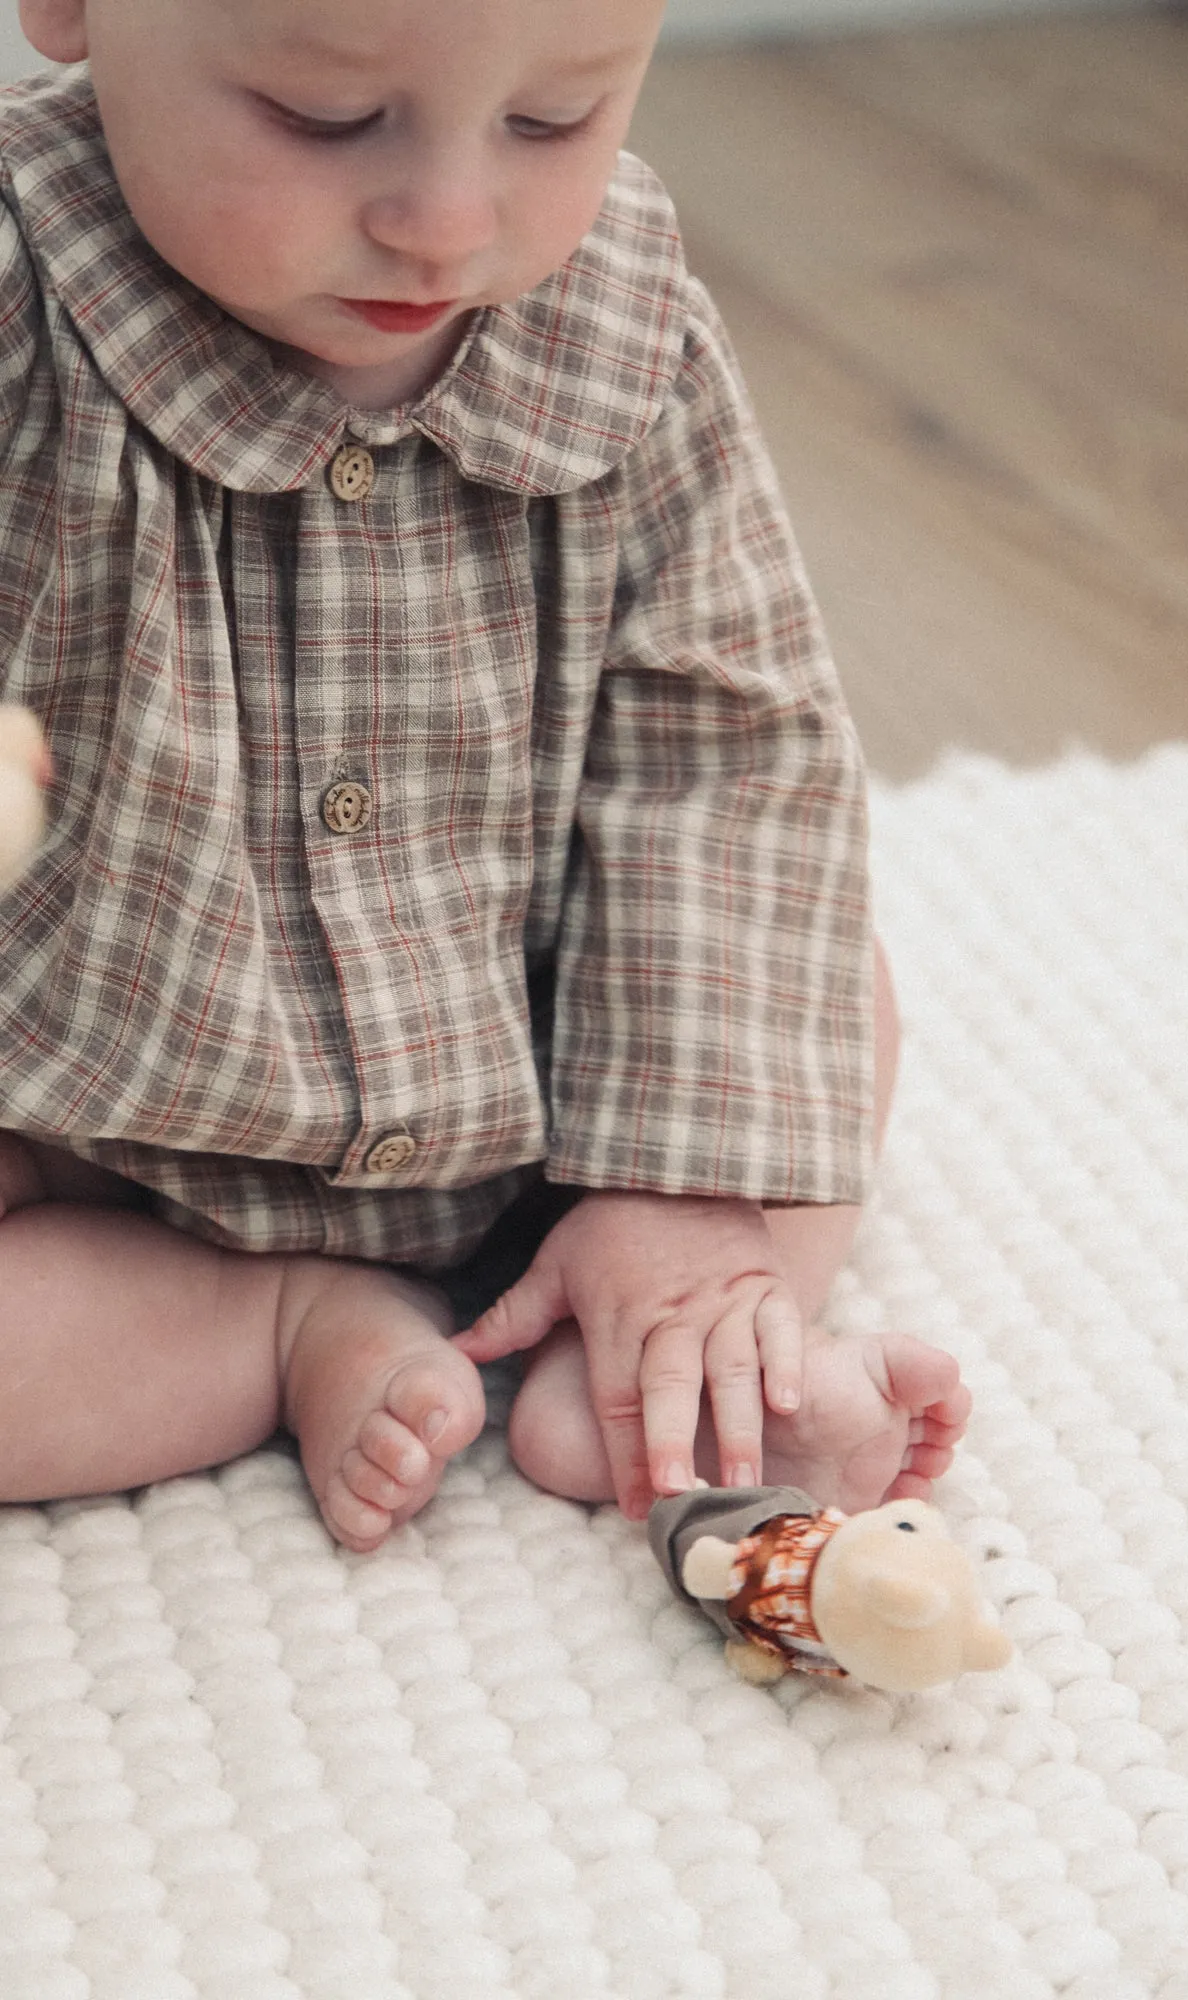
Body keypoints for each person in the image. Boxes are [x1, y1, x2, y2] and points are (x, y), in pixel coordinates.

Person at [0, 0, 970, 1553]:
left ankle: (673, 1319)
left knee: (827, 991)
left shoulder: (628, 328)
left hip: (544, 1084)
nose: (446, 222)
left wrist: (688, 1182)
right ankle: (274, 1330)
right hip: (104, 1117)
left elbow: (732, 751)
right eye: (321, 121)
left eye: (553, 122)